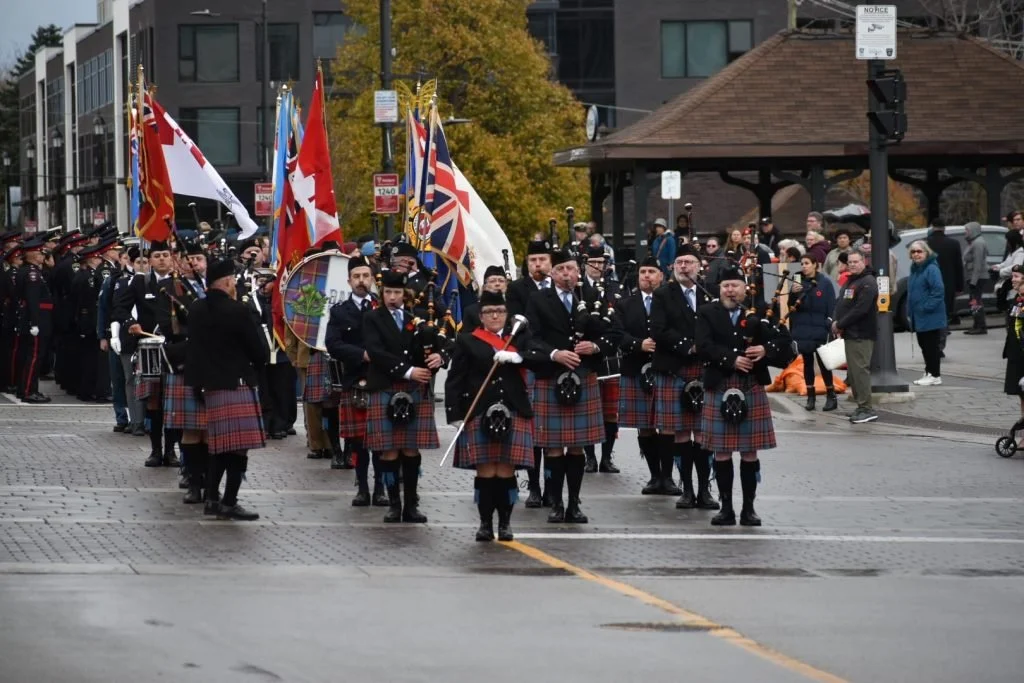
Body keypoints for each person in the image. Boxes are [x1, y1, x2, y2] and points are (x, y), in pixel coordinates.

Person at [526, 249, 619, 523]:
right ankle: (556, 503)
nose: (566, 274)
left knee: (577, 446)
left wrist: (595, 346)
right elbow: (531, 338)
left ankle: (574, 503)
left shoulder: (592, 297)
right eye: (560, 270)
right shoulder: (538, 300)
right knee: (553, 447)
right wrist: (555, 353)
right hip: (551, 375)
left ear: (578, 271)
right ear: (552, 273)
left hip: (583, 374)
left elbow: (614, 332)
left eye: (570, 269)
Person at [696, 265, 792, 526]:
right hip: (720, 384)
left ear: (744, 288)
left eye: (735, 285)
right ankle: (726, 508)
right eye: (726, 285)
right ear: (720, 289)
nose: (730, 290)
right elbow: (703, 346)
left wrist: (765, 349)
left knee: (749, 452)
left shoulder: (761, 311)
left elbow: (784, 341)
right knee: (722, 452)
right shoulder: (707, 312)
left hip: (751, 385)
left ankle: (748, 509)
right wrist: (731, 360)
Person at [445, 290, 536, 541]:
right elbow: (455, 379)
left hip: (513, 409)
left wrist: (518, 356)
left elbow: (538, 358)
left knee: (506, 471)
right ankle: (485, 524)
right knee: (485, 472)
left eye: (499, 311)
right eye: (488, 312)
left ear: (506, 315)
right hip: (480, 410)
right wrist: (455, 414)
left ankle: (505, 524)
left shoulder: (519, 336)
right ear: (481, 316)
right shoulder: (467, 340)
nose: (494, 315)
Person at [363, 269, 448, 523]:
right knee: (388, 450)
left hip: (413, 390)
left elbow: (438, 347)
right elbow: (376, 351)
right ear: (382, 293)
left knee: (411, 449)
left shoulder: (417, 319)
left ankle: (411, 504)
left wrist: (439, 358)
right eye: (388, 292)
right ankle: (393, 505)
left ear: (404, 294)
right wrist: (410, 371)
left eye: (397, 292)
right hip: (385, 386)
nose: (392, 297)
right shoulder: (372, 318)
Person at [185, 258, 265, 521]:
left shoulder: (196, 309)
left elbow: (193, 352)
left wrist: (197, 384)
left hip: (209, 386)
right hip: (236, 384)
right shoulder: (237, 311)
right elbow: (259, 352)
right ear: (228, 281)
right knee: (239, 448)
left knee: (219, 447)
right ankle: (229, 502)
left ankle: (211, 499)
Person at [650, 245, 717, 508]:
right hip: (674, 367)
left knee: (702, 434)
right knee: (680, 434)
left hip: (703, 369)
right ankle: (687, 490)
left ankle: (705, 490)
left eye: (688, 262)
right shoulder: (663, 295)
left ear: (699, 267)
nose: (683, 266)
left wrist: (705, 347)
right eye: (679, 262)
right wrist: (687, 346)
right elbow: (658, 330)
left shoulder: (710, 293)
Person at [325, 256, 389, 507]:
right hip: (355, 379)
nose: (361, 281)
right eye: (356, 277)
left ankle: (382, 488)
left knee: (382, 442)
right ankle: (362, 488)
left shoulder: (382, 309)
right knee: (360, 441)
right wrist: (360, 354)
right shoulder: (340, 311)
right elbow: (333, 344)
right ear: (349, 280)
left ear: (372, 279)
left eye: (365, 276)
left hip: (382, 379)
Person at [111, 241, 182, 466]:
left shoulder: (179, 284)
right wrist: (131, 322)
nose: (161, 259)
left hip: (174, 348)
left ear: (172, 258)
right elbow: (120, 307)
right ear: (150, 260)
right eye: (157, 256)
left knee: (172, 401)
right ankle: (155, 450)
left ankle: (171, 451)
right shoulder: (140, 282)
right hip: (149, 347)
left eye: (165, 255)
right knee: (153, 400)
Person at [505, 239, 552, 507]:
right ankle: (534, 487)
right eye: (533, 260)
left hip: (554, 363)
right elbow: (517, 326)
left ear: (551, 263)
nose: (537, 264)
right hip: (529, 361)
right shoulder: (516, 289)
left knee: (553, 435)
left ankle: (552, 489)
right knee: (534, 431)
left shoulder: (561, 286)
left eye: (542, 260)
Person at [614, 257, 664, 494]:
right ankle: (655, 476)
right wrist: (638, 344)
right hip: (635, 369)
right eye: (643, 272)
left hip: (665, 369)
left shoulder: (670, 301)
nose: (646, 276)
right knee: (645, 426)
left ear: (661, 276)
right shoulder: (625, 304)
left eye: (651, 271)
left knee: (669, 426)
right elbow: (617, 335)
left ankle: (669, 477)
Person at [580, 244, 622, 474]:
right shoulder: (578, 287)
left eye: (601, 262)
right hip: (586, 354)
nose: (597, 266)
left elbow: (619, 319)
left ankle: (606, 457)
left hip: (610, 355)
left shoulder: (614, 287)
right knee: (588, 409)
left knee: (609, 410)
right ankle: (590, 458)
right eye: (592, 262)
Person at [832, 250, 879, 424]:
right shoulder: (853, 280)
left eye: (856, 261)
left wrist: (840, 323)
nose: (852, 264)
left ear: (864, 261)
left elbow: (861, 309)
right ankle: (861, 406)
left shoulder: (868, 282)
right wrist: (836, 320)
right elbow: (842, 303)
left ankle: (866, 408)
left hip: (861, 333)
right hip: (850, 333)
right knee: (853, 372)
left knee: (860, 371)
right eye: (850, 262)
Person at [788, 255, 838, 411]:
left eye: (807, 263)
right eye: (802, 263)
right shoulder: (797, 281)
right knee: (807, 362)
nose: (804, 266)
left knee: (824, 363)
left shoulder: (824, 282)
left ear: (815, 265)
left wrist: (829, 322)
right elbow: (791, 306)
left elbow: (831, 304)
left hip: (820, 327)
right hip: (803, 328)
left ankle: (831, 395)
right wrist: (793, 294)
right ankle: (811, 396)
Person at [13, 236, 54, 403]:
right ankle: (30, 391)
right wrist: (35, 323)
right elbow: (33, 300)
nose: (42, 256)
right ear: (31, 254)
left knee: (31, 356)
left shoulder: (32, 271)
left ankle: (25, 389)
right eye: (39, 252)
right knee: (35, 357)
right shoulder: (31, 274)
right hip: (37, 319)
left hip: (35, 318)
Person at [906, 241, 947, 386]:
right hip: (920, 316)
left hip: (930, 315)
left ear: (926, 252)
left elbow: (938, 291)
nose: (916, 254)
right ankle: (929, 371)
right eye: (913, 252)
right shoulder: (915, 270)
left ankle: (935, 374)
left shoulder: (931, 269)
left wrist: (925, 307)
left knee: (931, 346)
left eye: (919, 251)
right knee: (924, 345)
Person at [926, 220, 964, 342]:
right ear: (944, 228)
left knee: (932, 311)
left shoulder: (926, 244)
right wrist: (959, 286)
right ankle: (942, 336)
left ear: (932, 227)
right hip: (948, 283)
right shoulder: (953, 243)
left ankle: (934, 335)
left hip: (930, 283)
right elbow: (959, 266)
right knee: (945, 311)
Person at [1001, 265, 1024, 418]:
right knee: (1021, 394)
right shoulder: (1017, 300)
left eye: (1016, 276)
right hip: (1016, 353)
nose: (1012, 280)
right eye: (1013, 276)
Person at [461, 265, 508, 334]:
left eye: (501, 281)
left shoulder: (513, 307)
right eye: (492, 281)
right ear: (484, 287)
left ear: (506, 286)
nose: (497, 284)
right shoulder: (471, 311)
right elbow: (466, 340)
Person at [962, 221, 990, 335]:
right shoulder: (973, 242)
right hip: (974, 277)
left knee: (976, 301)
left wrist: (973, 281)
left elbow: (978, 263)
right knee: (974, 301)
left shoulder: (978, 243)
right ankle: (977, 324)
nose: (965, 232)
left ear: (973, 230)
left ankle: (981, 326)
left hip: (977, 277)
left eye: (967, 230)